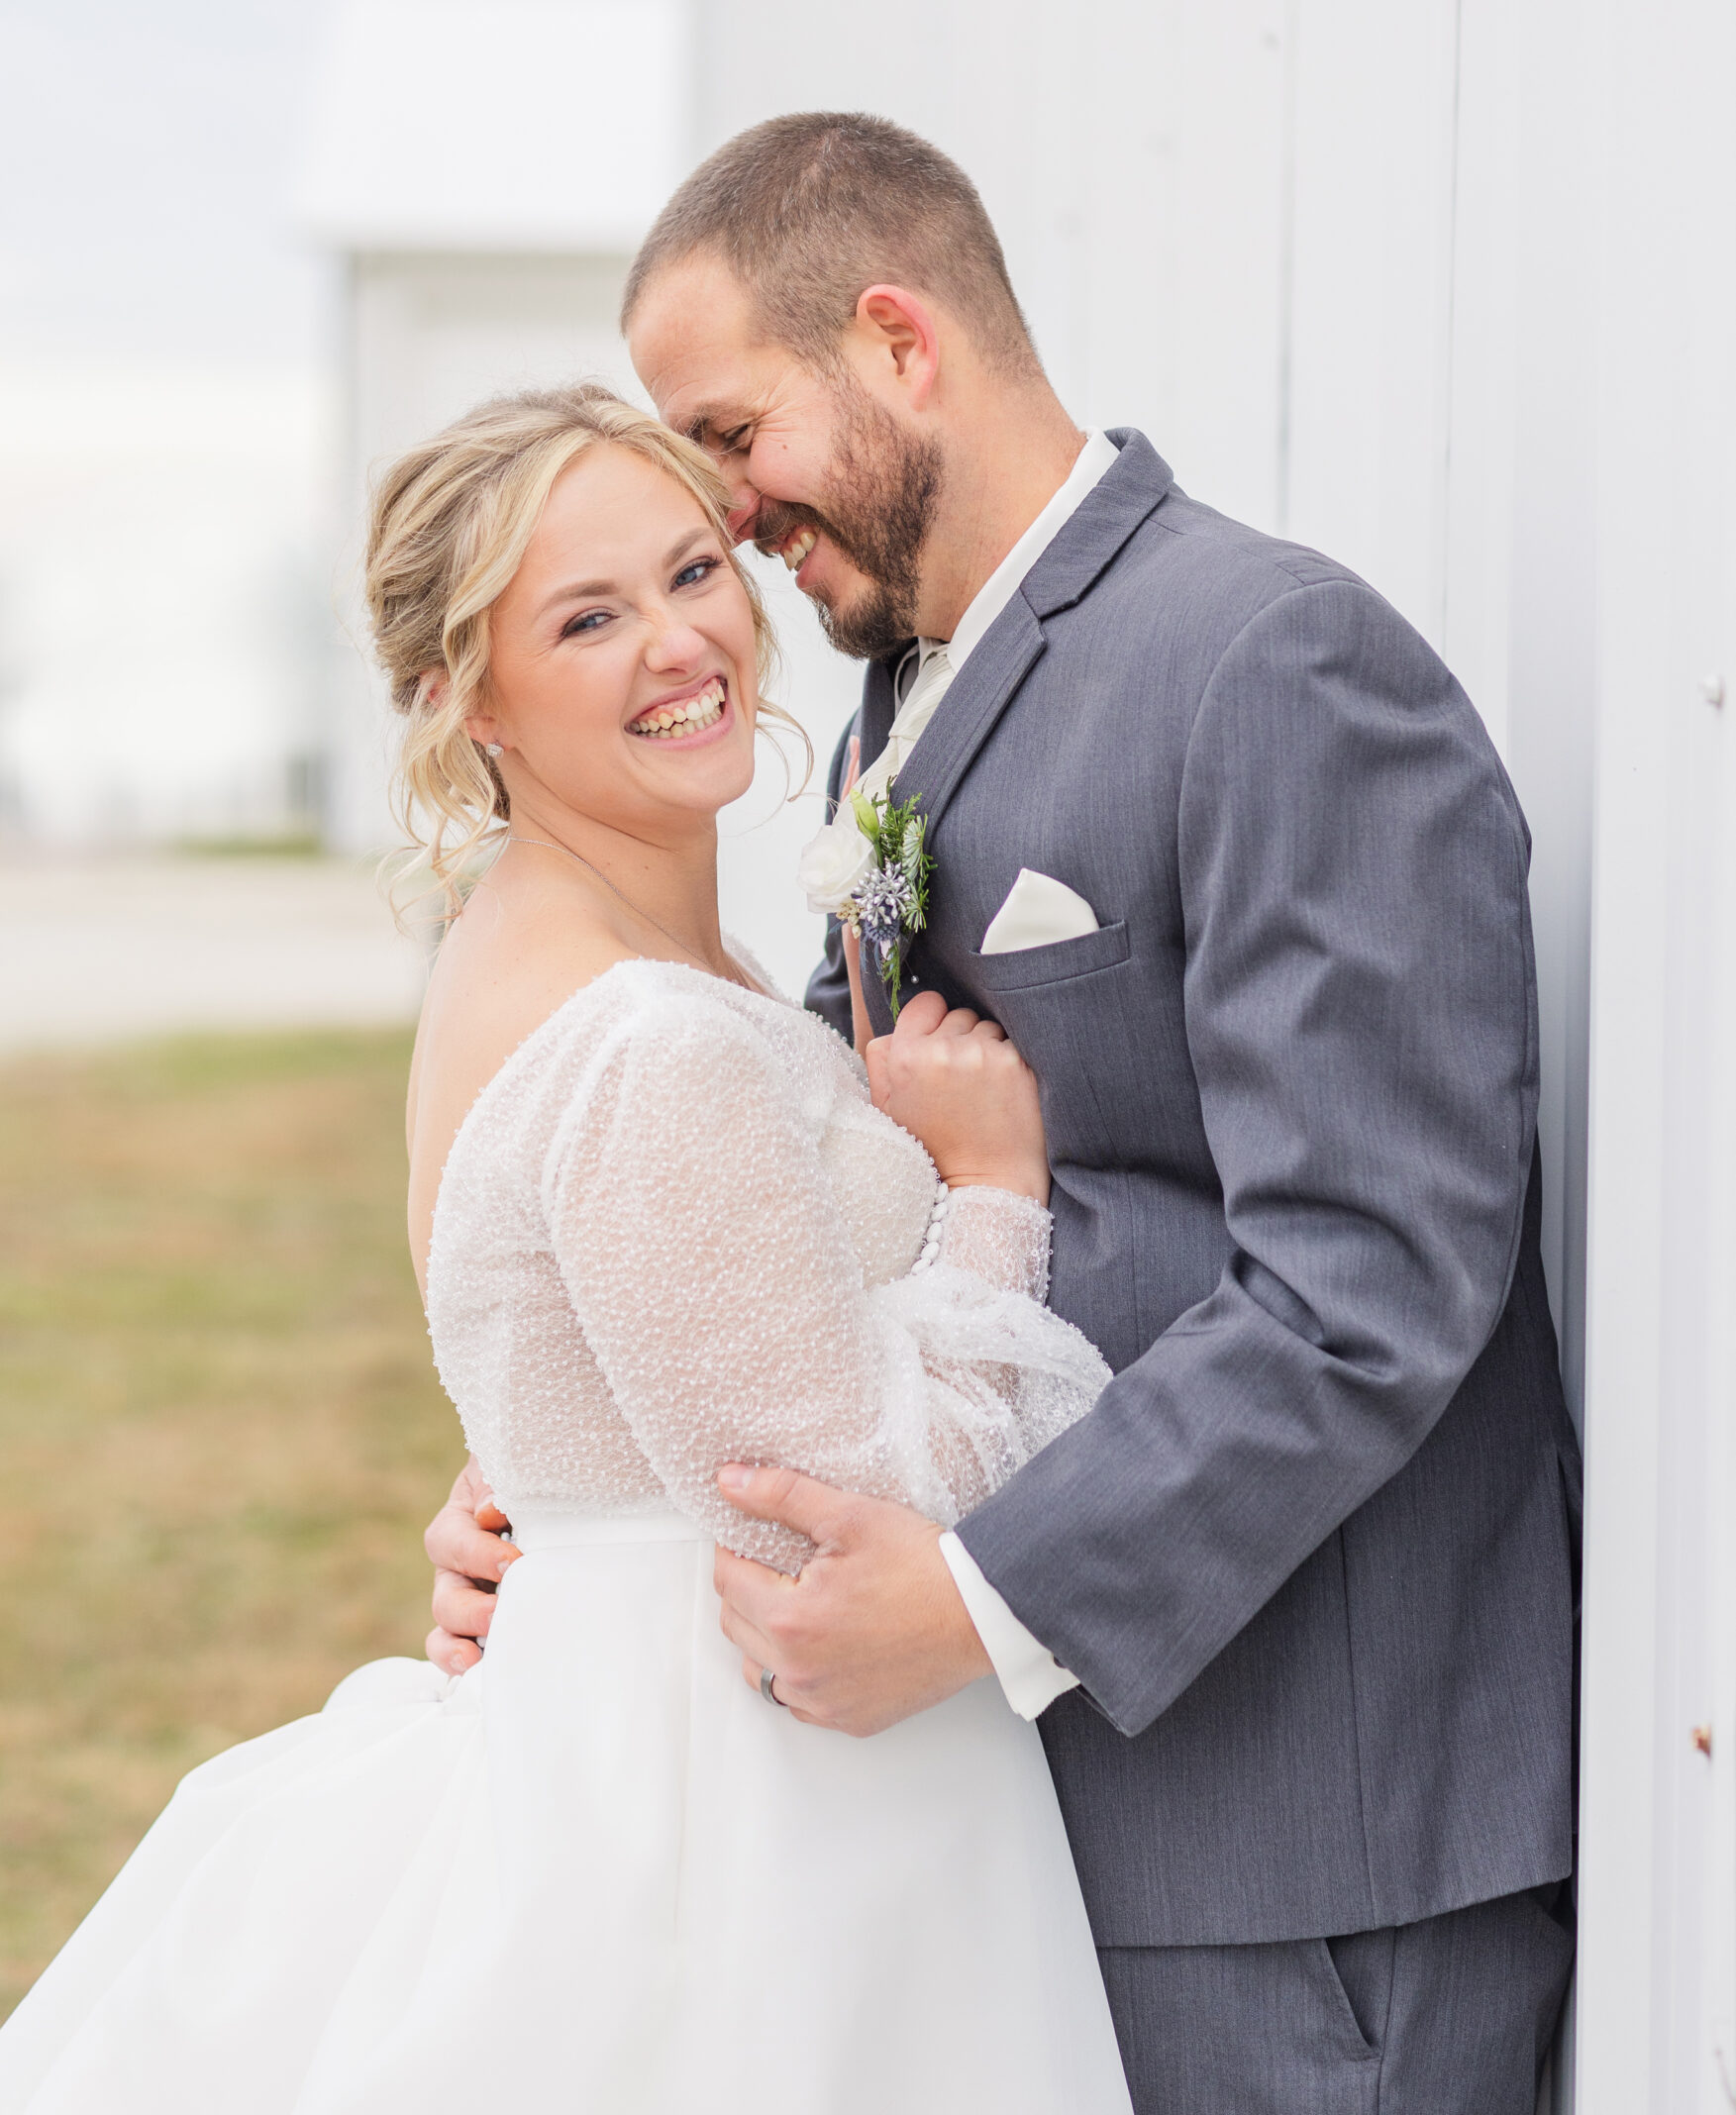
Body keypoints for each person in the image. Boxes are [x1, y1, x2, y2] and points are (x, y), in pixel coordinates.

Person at [420, 113, 1583, 2113]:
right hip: (1056, 1817)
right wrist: (574, 1498)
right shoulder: (900, 712)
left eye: (733, 437)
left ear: (893, 338)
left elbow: (1376, 1276)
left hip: (1302, 1839)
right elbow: (800, 1197)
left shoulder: (1267, 661)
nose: (730, 518)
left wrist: (981, 1597)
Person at [0, 388, 1133, 2114]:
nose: (678, 643)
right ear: (463, 699)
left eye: (691, 571)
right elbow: (835, 1509)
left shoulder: (619, 960)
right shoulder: (635, 1038)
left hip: (704, 1730)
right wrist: (992, 1190)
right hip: (737, 1810)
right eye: (585, 618)